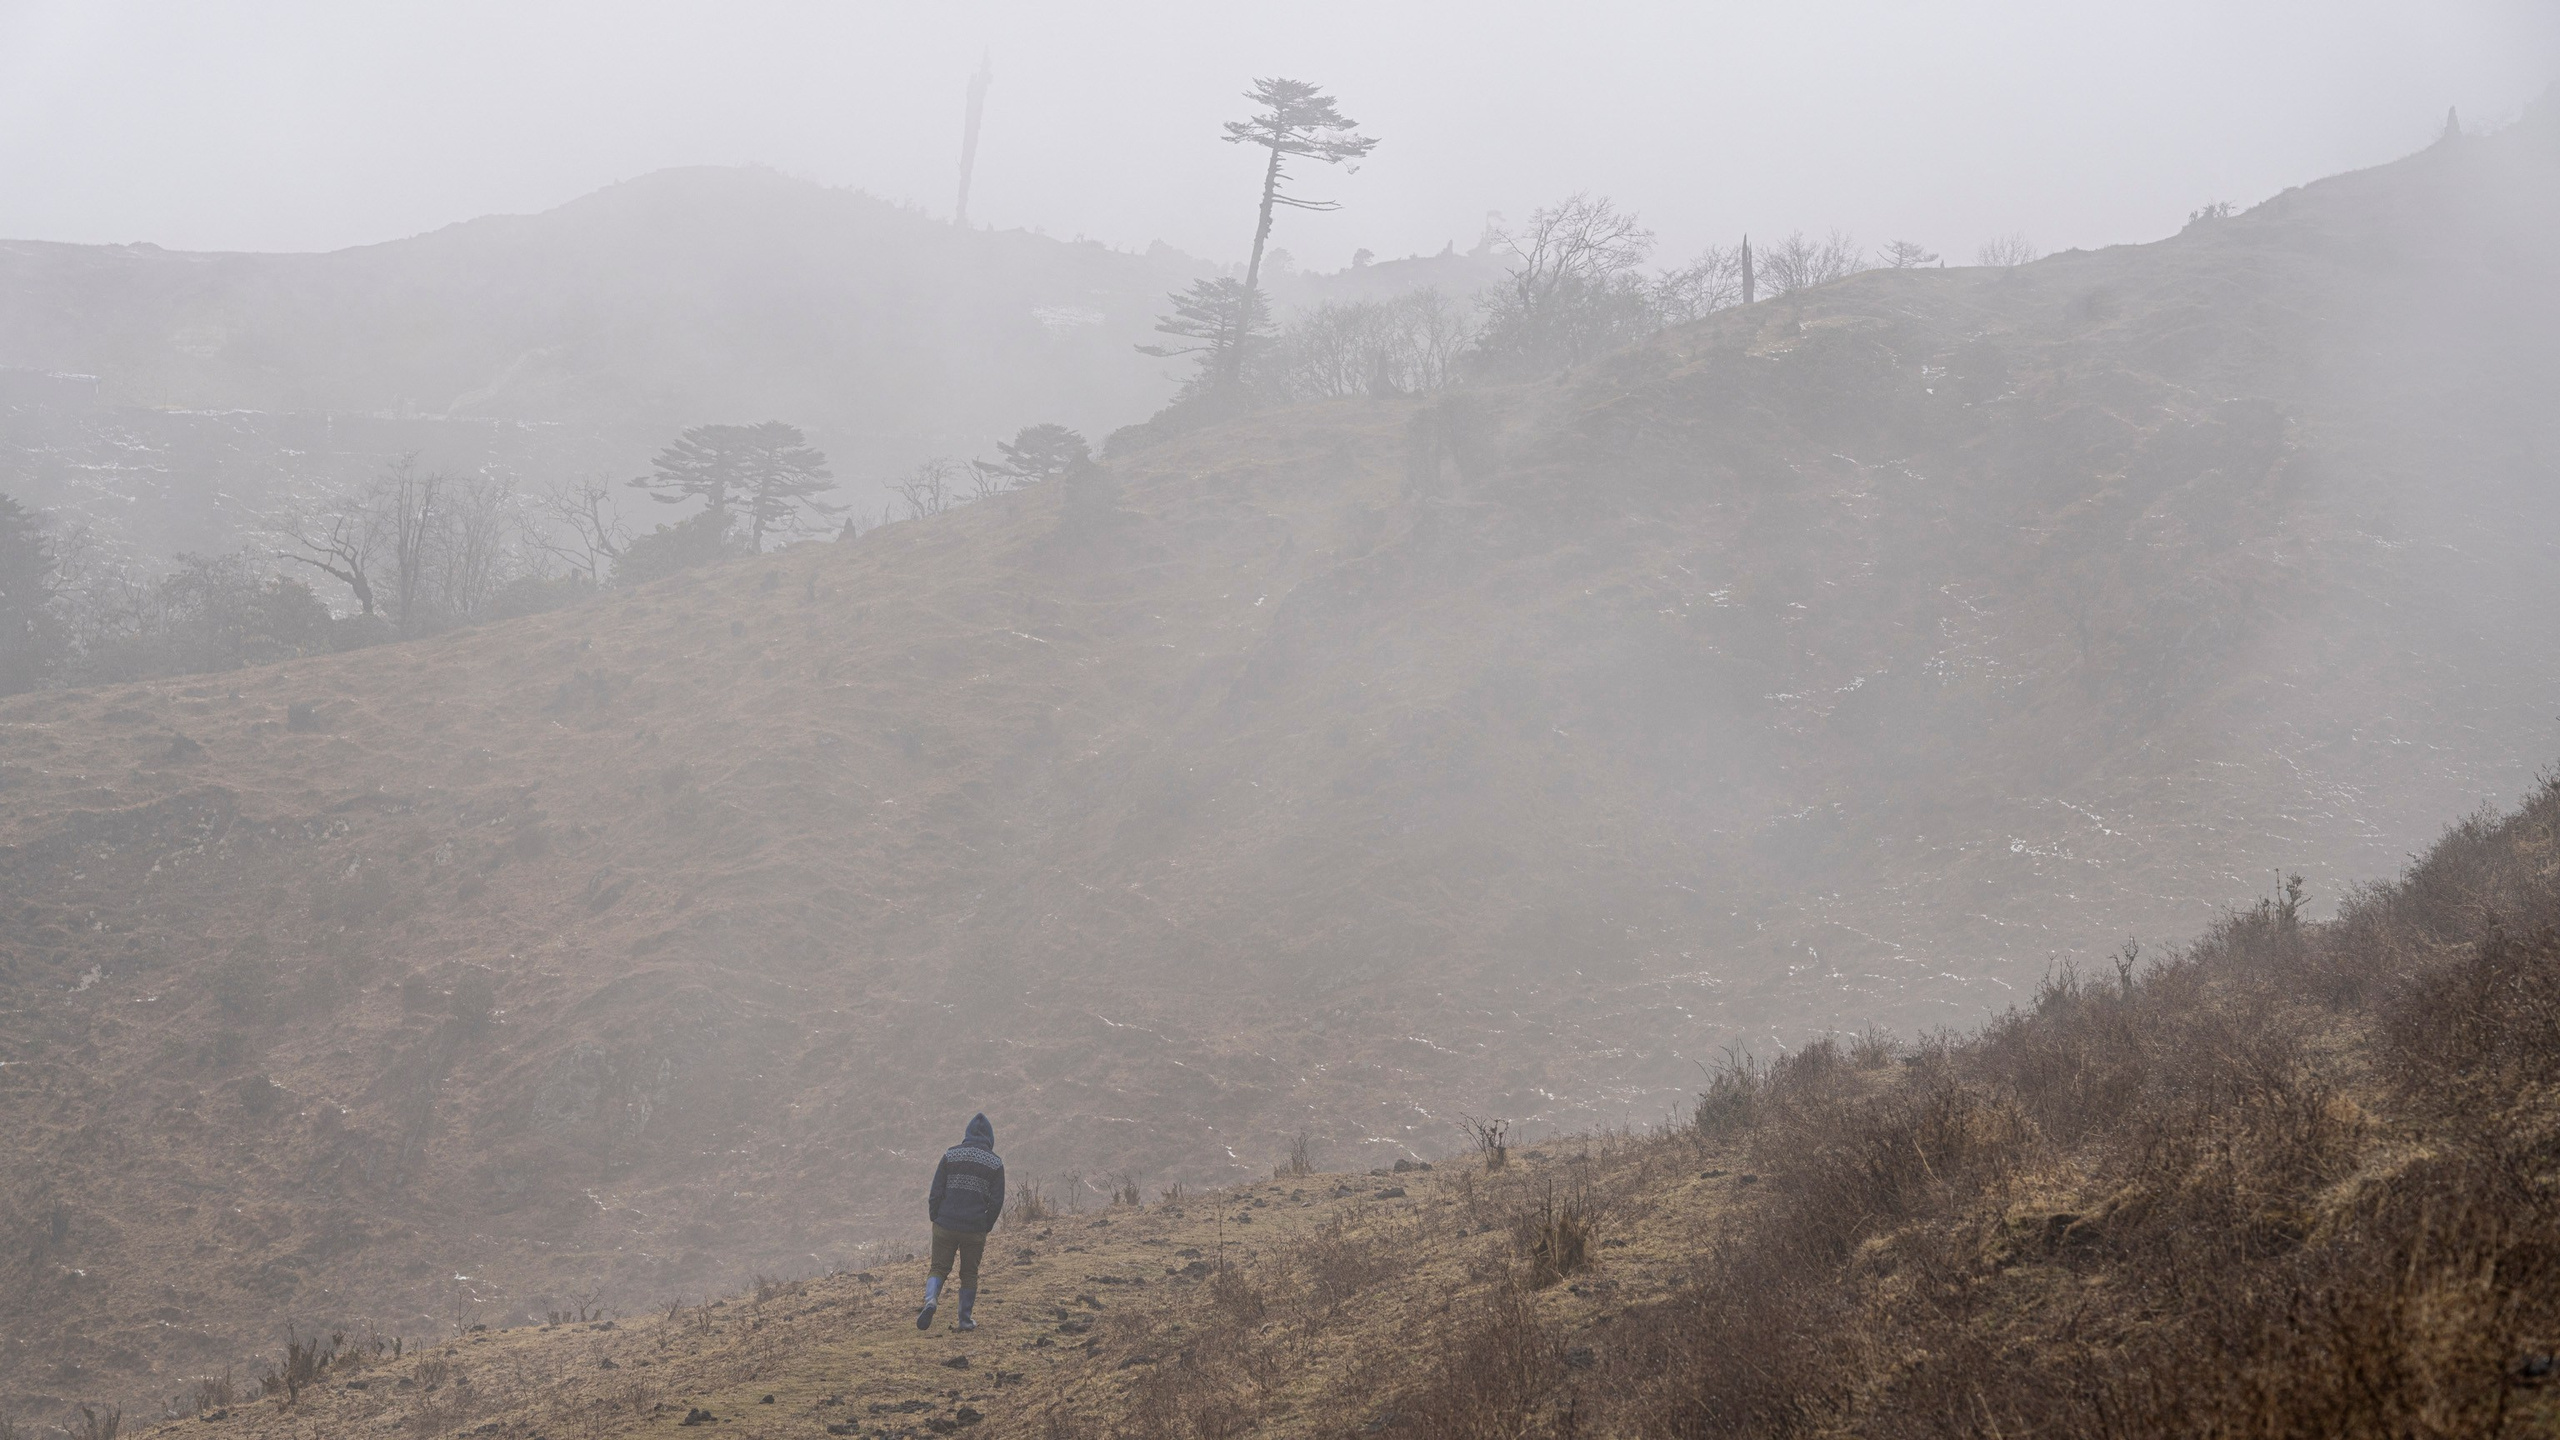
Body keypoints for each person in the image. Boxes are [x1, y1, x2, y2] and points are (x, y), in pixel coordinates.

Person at [917, 1112, 1005, 1331]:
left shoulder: (950, 1155)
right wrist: (986, 1225)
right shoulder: (995, 1164)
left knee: (938, 1268)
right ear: (990, 1138)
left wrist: (934, 1216)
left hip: (945, 1224)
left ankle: (930, 1301)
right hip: (974, 1228)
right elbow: (996, 1201)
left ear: (967, 1134)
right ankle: (965, 1320)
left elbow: (936, 1191)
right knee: (969, 1274)